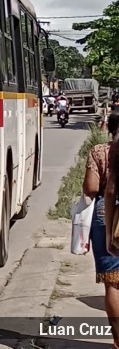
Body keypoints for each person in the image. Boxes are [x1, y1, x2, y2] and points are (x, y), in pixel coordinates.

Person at [83, 111, 119, 347]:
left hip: (107, 215)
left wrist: (107, 234)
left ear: (109, 128)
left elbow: (93, 188)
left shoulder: (101, 151)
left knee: (113, 282)